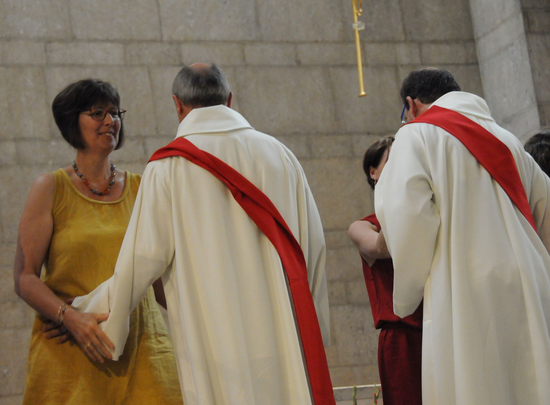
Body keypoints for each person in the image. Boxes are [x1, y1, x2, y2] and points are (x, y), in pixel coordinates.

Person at [72, 64, 334, 405]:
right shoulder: (280, 156)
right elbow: (312, 246)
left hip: (217, 348)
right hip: (284, 336)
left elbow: (141, 260)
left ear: (177, 105)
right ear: (229, 98)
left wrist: (87, 314)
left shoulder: (168, 168)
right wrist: (315, 328)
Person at [375, 67, 550, 405]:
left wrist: (406, 293)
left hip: (465, 289)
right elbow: (544, 212)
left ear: (410, 104)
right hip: (530, 285)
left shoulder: (417, 135)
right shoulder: (508, 139)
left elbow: (407, 218)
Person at [13, 79, 183, 405]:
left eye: (115, 112)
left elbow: (160, 276)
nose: (111, 121)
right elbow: (25, 278)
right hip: (72, 351)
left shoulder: (141, 187)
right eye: (97, 113)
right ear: (72, 122)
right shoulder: (49, 187)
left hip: (144, 347)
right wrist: (69, 317)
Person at [348, 136, 423, 405]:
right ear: (374, 172)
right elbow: (382, 248)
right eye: (393, 162)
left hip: (441, 326)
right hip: (403, 340)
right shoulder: (362, 227)